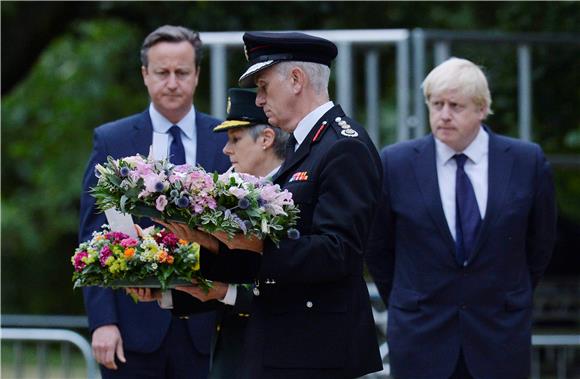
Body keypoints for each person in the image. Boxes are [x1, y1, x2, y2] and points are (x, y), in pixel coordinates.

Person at [171, 31, 384, 379]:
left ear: (296, 80)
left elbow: (339, 251)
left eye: (264, 86)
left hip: (315, 351)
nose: (258, 100)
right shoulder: (309, 146)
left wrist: (253, 245)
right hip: (287, 345)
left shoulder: (343, 146)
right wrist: (209, 242)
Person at [365, 57, 557, 379]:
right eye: (436, 104)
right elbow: (378, 246)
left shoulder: (526, 161)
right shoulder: (396, 163)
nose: (443, 115)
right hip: (421, 336)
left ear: (482, 109)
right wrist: (410, 298)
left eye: (455, 105)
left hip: (499, 335)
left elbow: (540, 244)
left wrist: (507, 295)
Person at [78, 25, 229, 379]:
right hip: (131, 331)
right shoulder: (112, 140)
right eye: (162, 72)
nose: (172, 82)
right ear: (145, 74)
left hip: (209, 328)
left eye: (182, 72)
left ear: (197, 75)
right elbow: (92, 234)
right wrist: (103, 322)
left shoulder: (226, 139)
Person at [132, 87, 289, 379]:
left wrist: (224, 290)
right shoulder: (233, 194)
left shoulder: (290, 195)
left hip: (277, 351)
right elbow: (227, 270)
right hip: (233, 347)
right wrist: (162, 291)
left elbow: (282, 283)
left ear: (266, 138)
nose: (226, 150)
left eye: (235, 139)